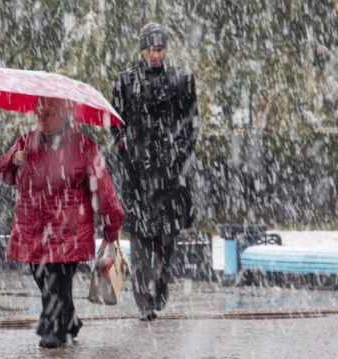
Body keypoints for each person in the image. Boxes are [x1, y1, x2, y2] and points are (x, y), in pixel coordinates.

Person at [0, 97, 124, 348]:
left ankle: (52, 331)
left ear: (65, 116)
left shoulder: (84, 147)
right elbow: (5, 175)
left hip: (68, 232)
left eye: (49, 113)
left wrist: (112, 226)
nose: (41, 118)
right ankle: (70, 320)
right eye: (39, 113)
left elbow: (104, 192)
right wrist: (12, 159)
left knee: (56, 281)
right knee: (44, 279)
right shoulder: (25, 142)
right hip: (31, 229)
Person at [110, 23, 199, 321]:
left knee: (167, 240)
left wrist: (178, 156)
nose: (155, 55)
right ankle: (143, 301)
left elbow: (191, 124)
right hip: (138, 175)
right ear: (142, 50)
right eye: (150, 50)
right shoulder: (125, 82)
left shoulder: (181, 80)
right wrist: (127, 152)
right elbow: (115, 124)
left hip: (171, 175)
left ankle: (161, 283)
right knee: (139, 240)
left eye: (159, 49)